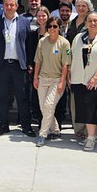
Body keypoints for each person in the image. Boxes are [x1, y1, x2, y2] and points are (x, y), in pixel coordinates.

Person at [0, 0, 34, 137]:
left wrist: (30, 63)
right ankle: (3, 125)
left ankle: (26, 126)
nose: (9, 7)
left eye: (12, 5)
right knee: (2, 97)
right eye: (6, 4)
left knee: (22, 97)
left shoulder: (24, 22)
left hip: (19, 66)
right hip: (1, 66)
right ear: (3, 5)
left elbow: (29, 45)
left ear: (17, 6)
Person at [69, 12, 97, 150]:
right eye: (90, 21)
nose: (92, 23)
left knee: (90, 107)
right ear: (86, 23)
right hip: (78, 78)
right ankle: (90, 135)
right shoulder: (78, 37)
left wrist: (96, 77)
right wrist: (69, 75)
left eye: (95, 20)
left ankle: (91, 138)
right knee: (83, 107)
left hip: (95, 79)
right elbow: (70, 55)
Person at [32, 16, 71, 147]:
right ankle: (55, 130)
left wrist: (62, 82)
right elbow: (38, 61)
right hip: (43, 78)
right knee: (44, 107)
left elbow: (66, 64)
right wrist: (35, 78)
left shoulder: (64, 43)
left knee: (48, 105)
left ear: (60, 28)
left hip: (56, 79)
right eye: (50, 26)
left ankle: (42, 134)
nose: (52, 29)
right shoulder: (42, 41)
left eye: (55, 26)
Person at [64, 0, 94, 137]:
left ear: (88, 8)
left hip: (88, 63)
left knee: (87, 97)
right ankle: (78, 128)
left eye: (84, 6)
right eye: (79, 5)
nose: (81, 8)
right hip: (72, 62)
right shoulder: (71, 22)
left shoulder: (91, 22)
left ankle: (88, 129)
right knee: (75, 96)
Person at [26, 6, 51, 131]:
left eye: (43, 15)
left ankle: (50, 125)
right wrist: (30, 65)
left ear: (48, 16)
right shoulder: (32, 34)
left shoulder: (53, 32)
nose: (41, 18)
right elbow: (30, 51)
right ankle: (41, 123)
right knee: (37, 98)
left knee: (49, 100)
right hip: (36, 70)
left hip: (51, 70)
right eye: (39, 16)